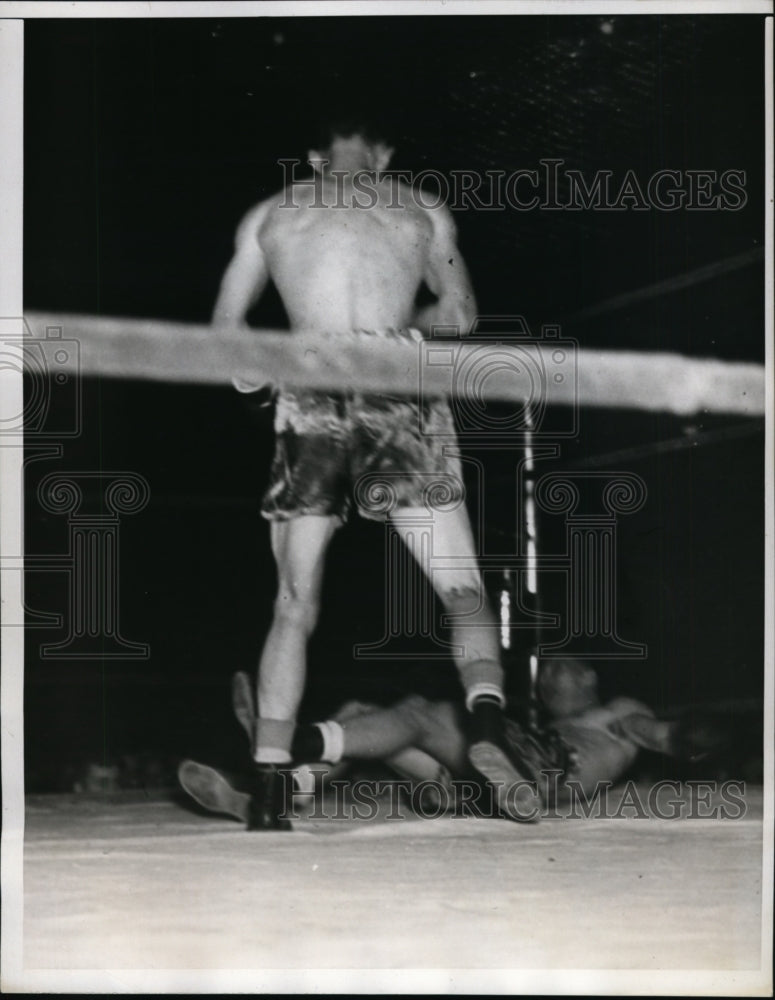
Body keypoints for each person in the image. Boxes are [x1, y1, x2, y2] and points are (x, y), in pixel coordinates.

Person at [211, 112, 535, 827]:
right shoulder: (417, 206)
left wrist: (260, 371)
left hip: (311, 393)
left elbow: (226, 336)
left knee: (294, 602)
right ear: (384, 152)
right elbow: (461, 311)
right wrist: (404, 337)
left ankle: (269, 789)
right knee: (464, 594)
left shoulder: (272, 213)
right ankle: (485, 725)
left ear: (311, 155)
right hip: (397, 385)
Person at [178, 659, 706, 824]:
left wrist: (687, 738)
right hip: (490, 784)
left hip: (544, 774)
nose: (549, 679)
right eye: (546, 675)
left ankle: (287, 742)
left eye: (562, 670)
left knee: (420, 715)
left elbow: (659, 734)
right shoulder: (537, 720)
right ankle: (274, 797)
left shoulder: (619, 713)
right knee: (368, 717)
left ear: (589, 678)